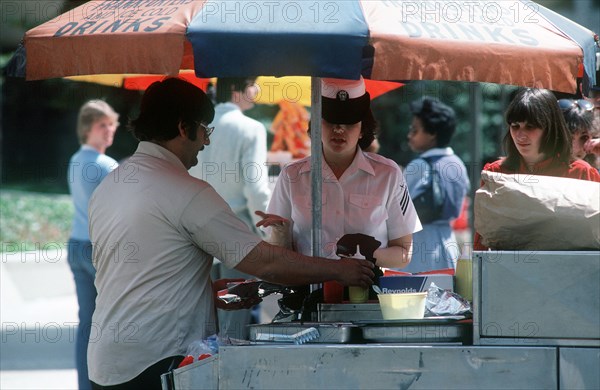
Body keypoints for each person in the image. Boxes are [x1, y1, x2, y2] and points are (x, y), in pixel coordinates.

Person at [87, 77, 374, 389]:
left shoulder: (109, 185)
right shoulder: (186, 191)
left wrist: (204, 293)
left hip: (105, 361)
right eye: (205, 130)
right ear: (184, 128)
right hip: (158, 361)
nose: (207, 142)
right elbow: (265, 263)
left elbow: (136, 272)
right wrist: (339, 271)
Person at [257, 77, 421, 269]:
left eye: (349, 123)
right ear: (316, 125)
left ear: (362, 129)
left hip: (366, 293)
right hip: (308, 291)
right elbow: (278, 255)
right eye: (330, 121)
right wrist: (279, 235)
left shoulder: (388, 174)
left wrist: (368, 253)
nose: (338, 129)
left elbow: (403, 253)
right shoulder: (291, 176)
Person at [188, 77, 271, 339]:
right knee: (235, 323)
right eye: (253, 84)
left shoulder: (200, 126)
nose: (257, 90)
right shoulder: (251, 128)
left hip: (198, 234)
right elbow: (256, 188)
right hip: (238, 235)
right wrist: (270, 235)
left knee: (204, 324)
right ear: (239, 89)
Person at [474, 88, 600, 250]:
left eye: (530, 127)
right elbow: (482, 240)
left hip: (569, 271)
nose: (520, 135)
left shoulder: (582, 172)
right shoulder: (495, 172)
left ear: (550, 128)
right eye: (515, 126)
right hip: (506, 272)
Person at [66, 100, 119, 390]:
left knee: (87, 324)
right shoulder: (104, 164)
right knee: (113, 322)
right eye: (103, 125)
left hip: (75, 244)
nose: (110, 130)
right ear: (87, 128)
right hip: (97, 249)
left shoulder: (75, 159)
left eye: (112, 124)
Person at [401, 97, 470, 273]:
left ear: (432, 133)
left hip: (418, 247)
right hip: (448, 243)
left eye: (415, 130)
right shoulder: (458, 164)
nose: (409, 135)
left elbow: (397, 211)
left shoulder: (419, 166)